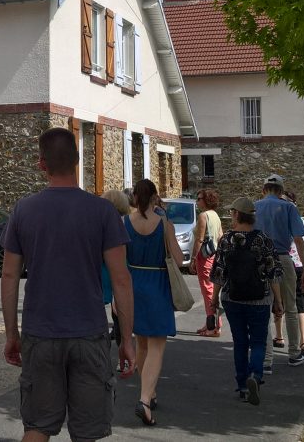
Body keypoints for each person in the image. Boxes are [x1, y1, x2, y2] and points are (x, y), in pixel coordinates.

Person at [1, 128, 136, 442]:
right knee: (87, 432)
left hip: (41, 333)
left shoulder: (23, 210)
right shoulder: (103, 211)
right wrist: (127, 339)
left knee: (36, 427)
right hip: (89, 333)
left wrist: (12, 333)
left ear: (41, 164)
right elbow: (121, 279)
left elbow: (9, 277)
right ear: (77, 161)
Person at [211, 197, 284, 406]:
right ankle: (255, 374)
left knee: (240, 342)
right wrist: (277, 301)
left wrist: (214, 299)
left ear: (236, 214)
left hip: (232, 298)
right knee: (259, 341)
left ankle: (243, 385)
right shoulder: (263, 239)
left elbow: (219, 273)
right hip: (259, 298)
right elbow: (274, 273)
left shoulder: (226, 240)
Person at [125, 179, 184, 425]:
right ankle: (145, 399)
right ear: (154, 198)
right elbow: (179, 260)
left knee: (142, 344)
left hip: (133, 283)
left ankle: (150, 391)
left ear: (136, 197)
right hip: (158, 282)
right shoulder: (164, 224)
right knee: (157, 346)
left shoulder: (124, 223)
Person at [254, 174, 304, 367]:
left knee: (263, 307)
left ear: (264, 189)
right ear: (280, 191)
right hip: (283, 258)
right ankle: (294, 352)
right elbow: (298, 240)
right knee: (291, 307)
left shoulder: (254, 207)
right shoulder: (288, 207)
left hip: (260, 260)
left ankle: (266, 359)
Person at [272, 192, 304, 359]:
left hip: (282, 262)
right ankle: (303, 342)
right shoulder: (302, 220)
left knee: (279, 301)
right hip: (297, 265)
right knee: (299, 303)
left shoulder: (277, 219)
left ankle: (279, 336)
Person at [191, 188, 223, 337]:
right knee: (211, 289)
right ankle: (214, 324)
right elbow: (220, 236)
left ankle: (212, 327)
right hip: (214, 255)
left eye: (199, 199)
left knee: (207, 290)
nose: (197, 201)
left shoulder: (203, 216)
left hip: (204, 257)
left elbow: (199, 239)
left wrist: (193, 258)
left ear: (206, 200)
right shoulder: (215, 215)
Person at [102, 189, 132, 345]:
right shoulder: (127, 222)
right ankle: (123, 349)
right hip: (121, 269)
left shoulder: (104, 222)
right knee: (120, 313)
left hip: (106, 271)